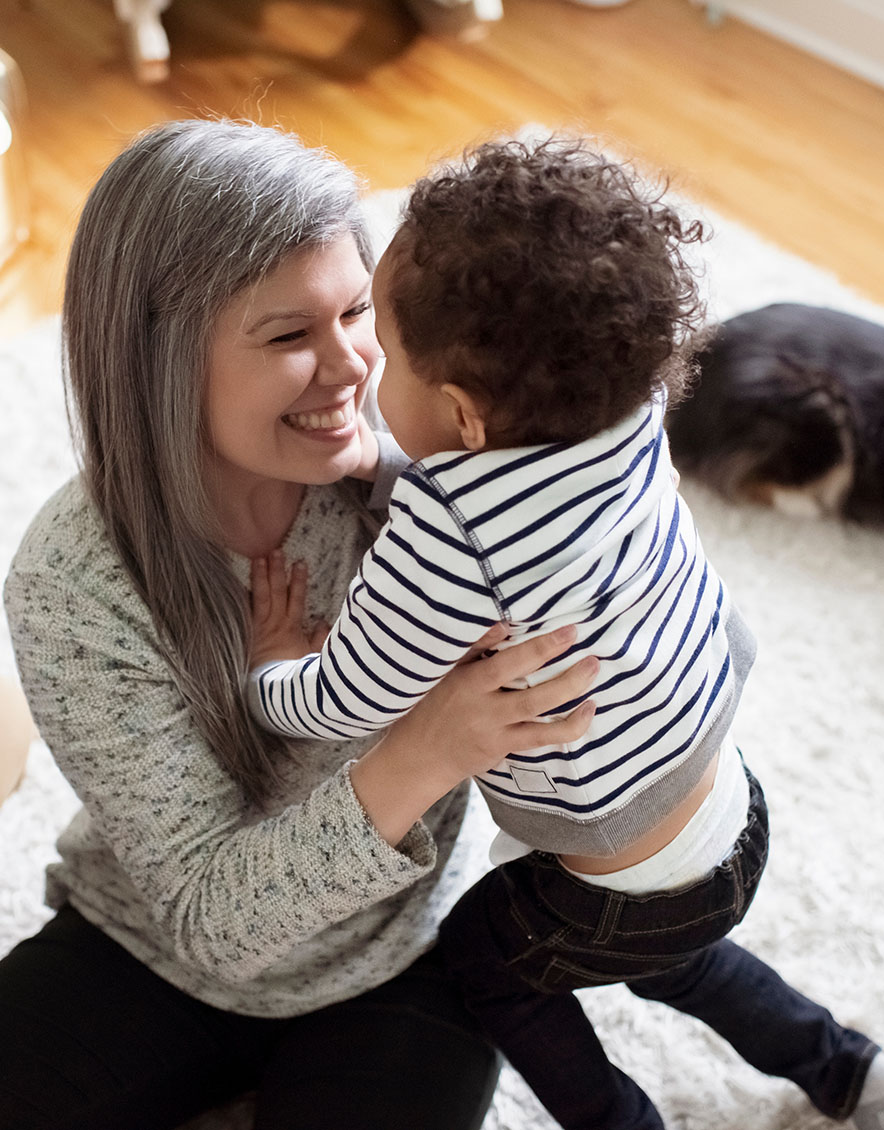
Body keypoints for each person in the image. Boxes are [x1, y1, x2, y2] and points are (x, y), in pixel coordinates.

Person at [246, 137, 884, 1130]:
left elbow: (344, 700)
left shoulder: (446, 531)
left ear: (458, 414)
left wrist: (269, 659)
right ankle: (849, 1073)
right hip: (727, 811)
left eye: (384, 355)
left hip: (609, 882)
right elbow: (517, 498)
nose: (363, 365)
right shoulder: (626, 404)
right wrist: (388, 463)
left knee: (488, 967)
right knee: (682, 960)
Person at [0, 117, 602, 1130]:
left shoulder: (436, 488)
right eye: (288, 335)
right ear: (158, 360)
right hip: (149, 943)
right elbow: (209, 920)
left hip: (403, 955)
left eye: (359, 312)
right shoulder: (75, 579)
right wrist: (427, 746)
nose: (352, 368)